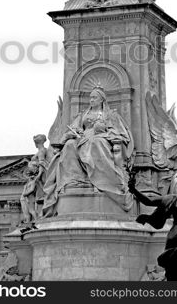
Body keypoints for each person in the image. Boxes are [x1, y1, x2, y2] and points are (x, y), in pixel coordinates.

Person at [42, 86, 134, 216]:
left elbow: (119, 132)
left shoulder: (110, 115)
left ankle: (102, 182)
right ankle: (75, 180)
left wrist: (102, 130)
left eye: (94, 97)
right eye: (90, 97)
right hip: (83, 137)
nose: (91, 100)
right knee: (69, 145)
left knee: (96, 143)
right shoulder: (84, 114)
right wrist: (76, 132)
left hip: (102, 138)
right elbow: (73, 127)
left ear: (101, 99)